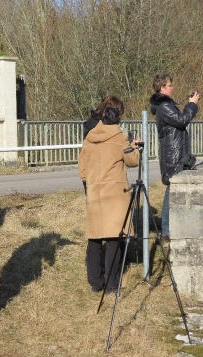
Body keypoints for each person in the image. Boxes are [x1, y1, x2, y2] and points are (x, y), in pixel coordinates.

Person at [78, 95, 140, 293]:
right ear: (117, 118)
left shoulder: (89, 138)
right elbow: (132, 161)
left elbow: (82, 168)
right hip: (115, 194)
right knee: (114, 240)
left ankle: (96, 283)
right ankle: (112, 284)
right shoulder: (120, 137)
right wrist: (136, 146)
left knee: (95, 239)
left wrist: (89, 185)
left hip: (95, 192)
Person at [149, 73, 200, 241]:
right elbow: (182, 120)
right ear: (162, 88)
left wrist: (188, 104)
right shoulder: (164, 107)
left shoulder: (167, 105)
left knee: (173, 190)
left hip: (176, 153)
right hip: (172, 155)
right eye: (170, 85)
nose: (173, 87)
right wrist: (191, 105)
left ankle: (169, 229)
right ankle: (166, 231)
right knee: (171, 191)